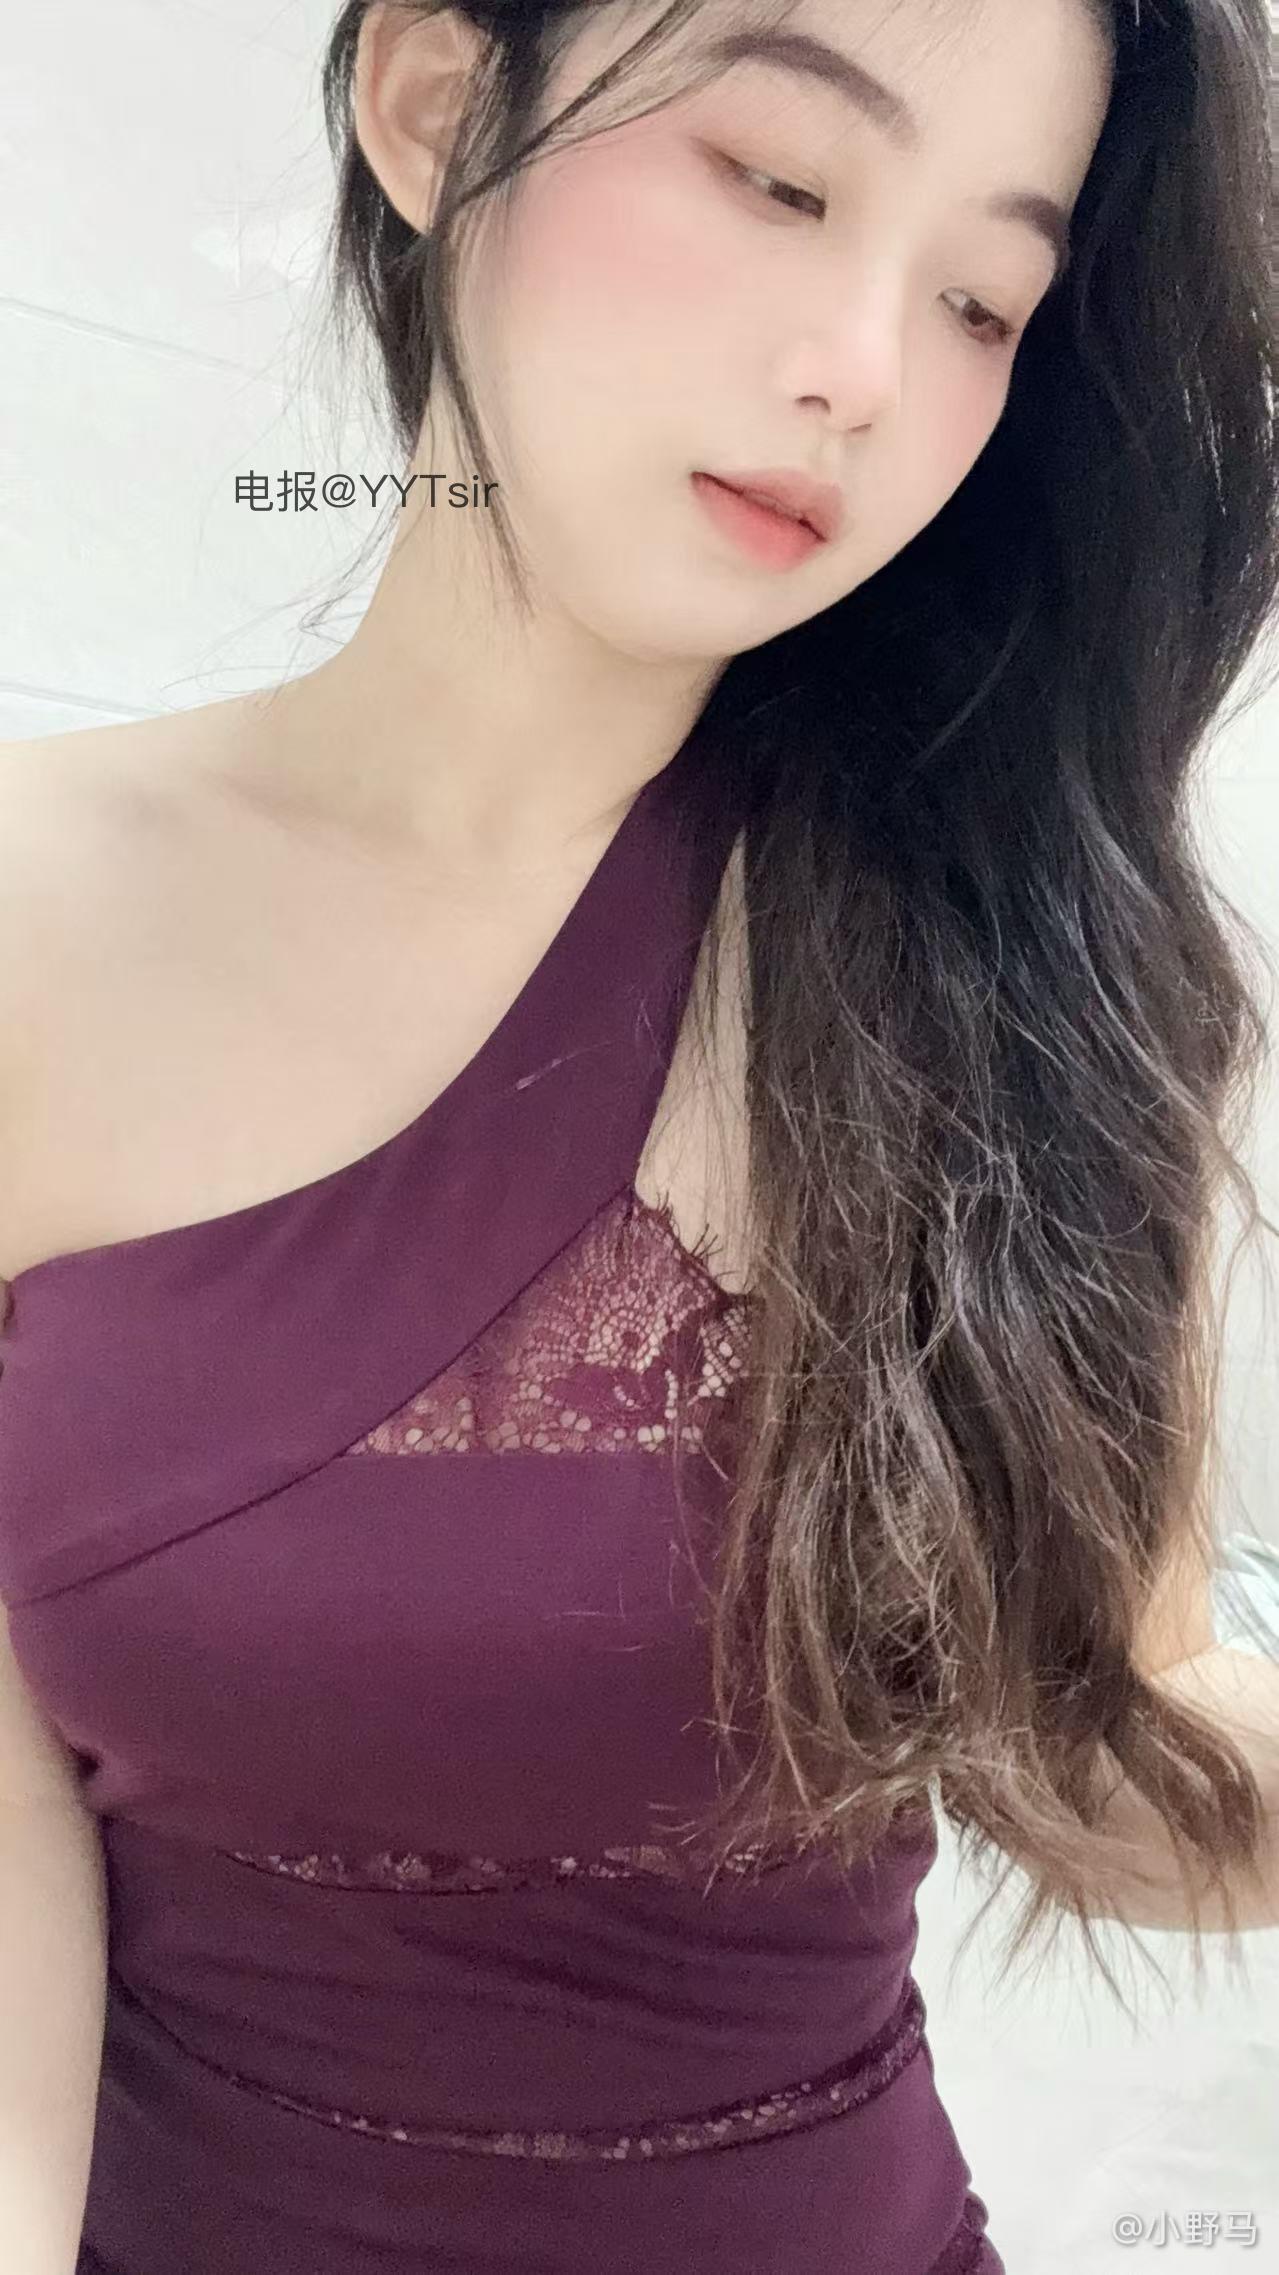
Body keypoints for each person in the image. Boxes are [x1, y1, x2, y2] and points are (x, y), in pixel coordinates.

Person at [0, 0, 1276, 2268]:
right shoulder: (31, 928)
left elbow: (1113, 1742)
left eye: (985, 299)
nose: (862, 369)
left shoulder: (1022, 996)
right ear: (433, 104)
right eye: (778, 179)